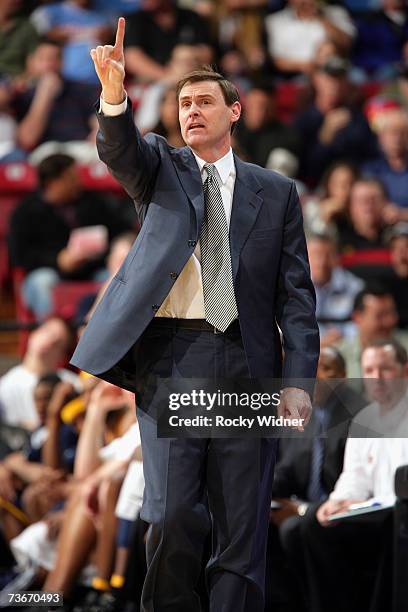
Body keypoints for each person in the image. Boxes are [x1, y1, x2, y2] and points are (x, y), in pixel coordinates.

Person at [71, 17, 319, 612]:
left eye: (205, 101)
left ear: (235, 112)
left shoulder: (276, 191)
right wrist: (113, 94)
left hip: (247, 363)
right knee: (175, 515)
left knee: (241, 531)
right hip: (172, 358)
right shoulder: (160, 167)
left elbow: (297, 298)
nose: (192, 111)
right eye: (184, 104)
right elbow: (120, 150)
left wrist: (298, 383)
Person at [297, 339, 408, 612]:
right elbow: (354, 477)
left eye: (385, 369)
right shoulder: (364, 420)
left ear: (405, 370)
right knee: (313, 523)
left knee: (397, 521)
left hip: (399, 513)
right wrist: (337, 501)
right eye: (369, 371)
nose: (377, 378)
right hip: (374, 512)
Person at [266, 347, 365, 612]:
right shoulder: (303, 413)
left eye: (327, 369)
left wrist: (301, 509)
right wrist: (260, 495)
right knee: (256, 522)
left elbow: (355, 481)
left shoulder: (359, 414)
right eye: (315, 368)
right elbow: (287, 469)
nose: (318, 376)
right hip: (304, 507)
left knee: (295, 529)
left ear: (343, 376)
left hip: (342, 510)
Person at [8, 153, 133, 319]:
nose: (78, 182)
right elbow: (19, 256)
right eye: (71, 178)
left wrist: (117, 247)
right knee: (42, 281)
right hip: (48, 271)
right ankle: (53, 331)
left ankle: (102, 331)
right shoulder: (25, 211)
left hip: (93, 268)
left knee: (115, 277)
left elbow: (122, 230)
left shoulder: (93, 201)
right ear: (52, 183)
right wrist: (58, 260)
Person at [0, 317, 78, 430]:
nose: (49, 341)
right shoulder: (4, 386)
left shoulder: (72, 383)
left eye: (58, 342)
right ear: (33, 334)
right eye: (47, 331)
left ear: (62, 355)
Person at [336, 285, 408, 377]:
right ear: (357, 318)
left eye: (392, 313)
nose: (389, 321)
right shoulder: (339, 357)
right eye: (381, 315)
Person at [307, 232, 364, 344]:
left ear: (337, 258)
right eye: (316, 255)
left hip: (344, 349)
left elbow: (362, 325)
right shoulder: (293, 287)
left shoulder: (356, 288)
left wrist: (342, 338)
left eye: (328, 255)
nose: (322, 262)